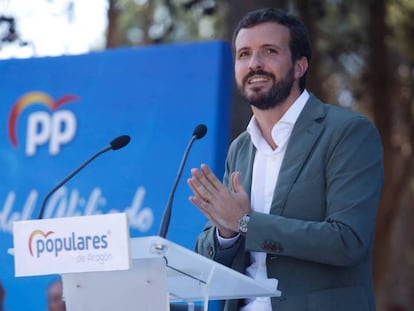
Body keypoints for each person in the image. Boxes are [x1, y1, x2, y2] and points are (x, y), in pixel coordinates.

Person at [187, 7, 384, 311]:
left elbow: (347, 241)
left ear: (299, 66)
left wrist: (244, 223)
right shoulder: (240, 148)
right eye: (244, 54)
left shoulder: (347, 133)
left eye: (269, 51)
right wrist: (226, 232)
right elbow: (210, 251)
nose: (254, 64)